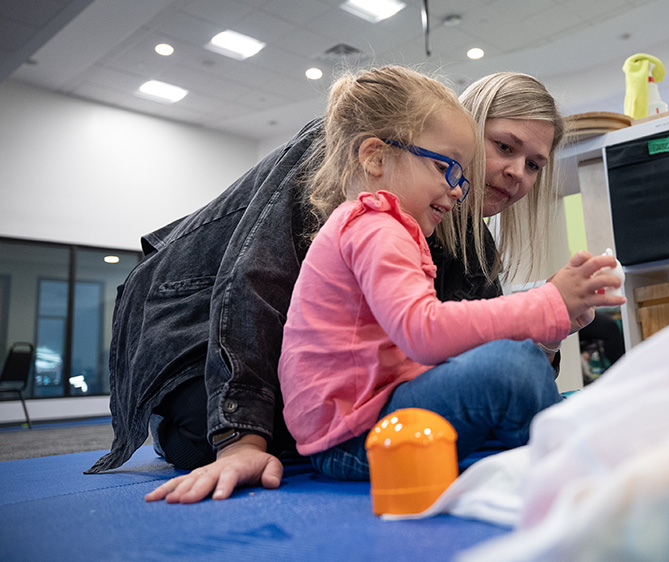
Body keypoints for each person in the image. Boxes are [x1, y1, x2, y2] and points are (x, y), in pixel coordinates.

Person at [87, 68, 592, 503]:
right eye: (503, 147)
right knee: (213, 434)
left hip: (344, 392)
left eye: (534, 165)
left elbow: (471, 346)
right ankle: (205, 426)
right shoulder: (348, 167)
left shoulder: (453, 231)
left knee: (500, 375)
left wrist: (546, 329)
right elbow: (253, 284)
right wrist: (240, 438)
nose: (516, 173)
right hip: (198, 324)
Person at [275, 65, 625, 481]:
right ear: (376, 156)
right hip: (355, 439)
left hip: (363, 425)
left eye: (534, 164)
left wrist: (548, 326)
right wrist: (545, 303)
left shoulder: (381, 226)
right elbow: (424, 332)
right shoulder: (375, 228)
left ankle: (556, 434)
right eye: (445, 169)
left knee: (518, 365)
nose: (459, 189)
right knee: (514, 367)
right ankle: (569, 459)